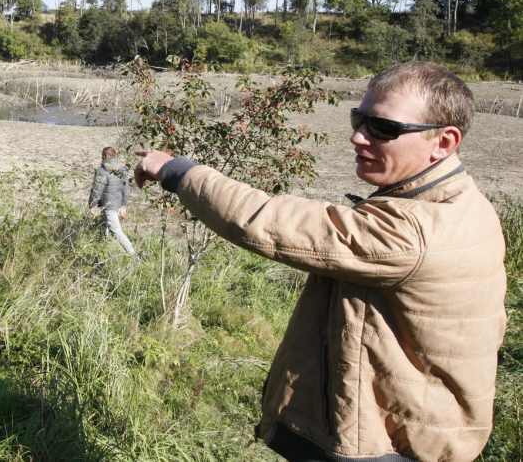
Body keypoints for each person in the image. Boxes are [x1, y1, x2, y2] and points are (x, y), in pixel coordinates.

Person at [134, 61, 506, 461]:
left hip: (391, 447)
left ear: (444, 142)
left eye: (383, 128)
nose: (357, 137)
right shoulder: (461, 202)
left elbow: (269, 223)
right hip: (416, 430)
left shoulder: (415, 231)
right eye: (358, 119)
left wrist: (177, 171)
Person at [88, 146, 136, 256]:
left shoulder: (103, 169)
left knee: (117, 232)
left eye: (102, 156)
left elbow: (97, 189)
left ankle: (133, 255)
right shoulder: (122, 169)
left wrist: (92, 205)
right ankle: (101, 253)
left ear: (105, 156)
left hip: (109, 206)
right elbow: (126, 189)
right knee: (103, 228)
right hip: (116, 205)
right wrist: (123, 205)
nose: (101, 158)